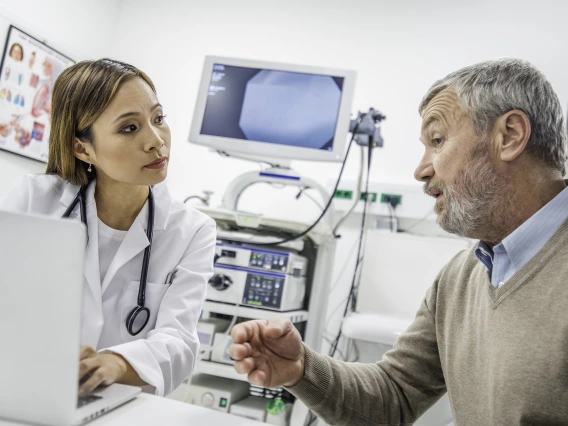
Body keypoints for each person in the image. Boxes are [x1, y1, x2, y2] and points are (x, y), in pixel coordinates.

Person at [229, 58, 568, 425]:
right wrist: (301, 369)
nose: (421, 170)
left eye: (437, 141)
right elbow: (395, 394)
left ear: (510, 135)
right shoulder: (460, 276)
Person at [0, 58, 216, 398]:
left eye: (158, 119)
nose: (156, 140)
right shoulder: (34, 201)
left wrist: (114, 363)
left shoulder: (192, 231)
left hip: (123, 403)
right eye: (129, 128)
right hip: (29, 390)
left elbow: (179, 343)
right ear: (82, 148)